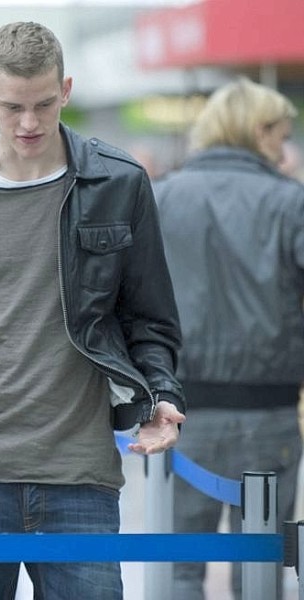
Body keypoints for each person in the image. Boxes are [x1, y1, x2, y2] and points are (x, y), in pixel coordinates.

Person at [0, 21, 186, 600]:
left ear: (66, 90)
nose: (29, 123)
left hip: (81, 475)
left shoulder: (118, 183)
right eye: (13, 106)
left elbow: (150, 317)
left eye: (44, 104)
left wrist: (161, 392)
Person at [153, 77, 304, 600]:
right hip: (271, 413)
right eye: (281, 135)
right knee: (261, 568)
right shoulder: (291, 204)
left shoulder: (162, 196)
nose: (284, 150)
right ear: (258, 130)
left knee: (178, 568)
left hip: (177, 414)